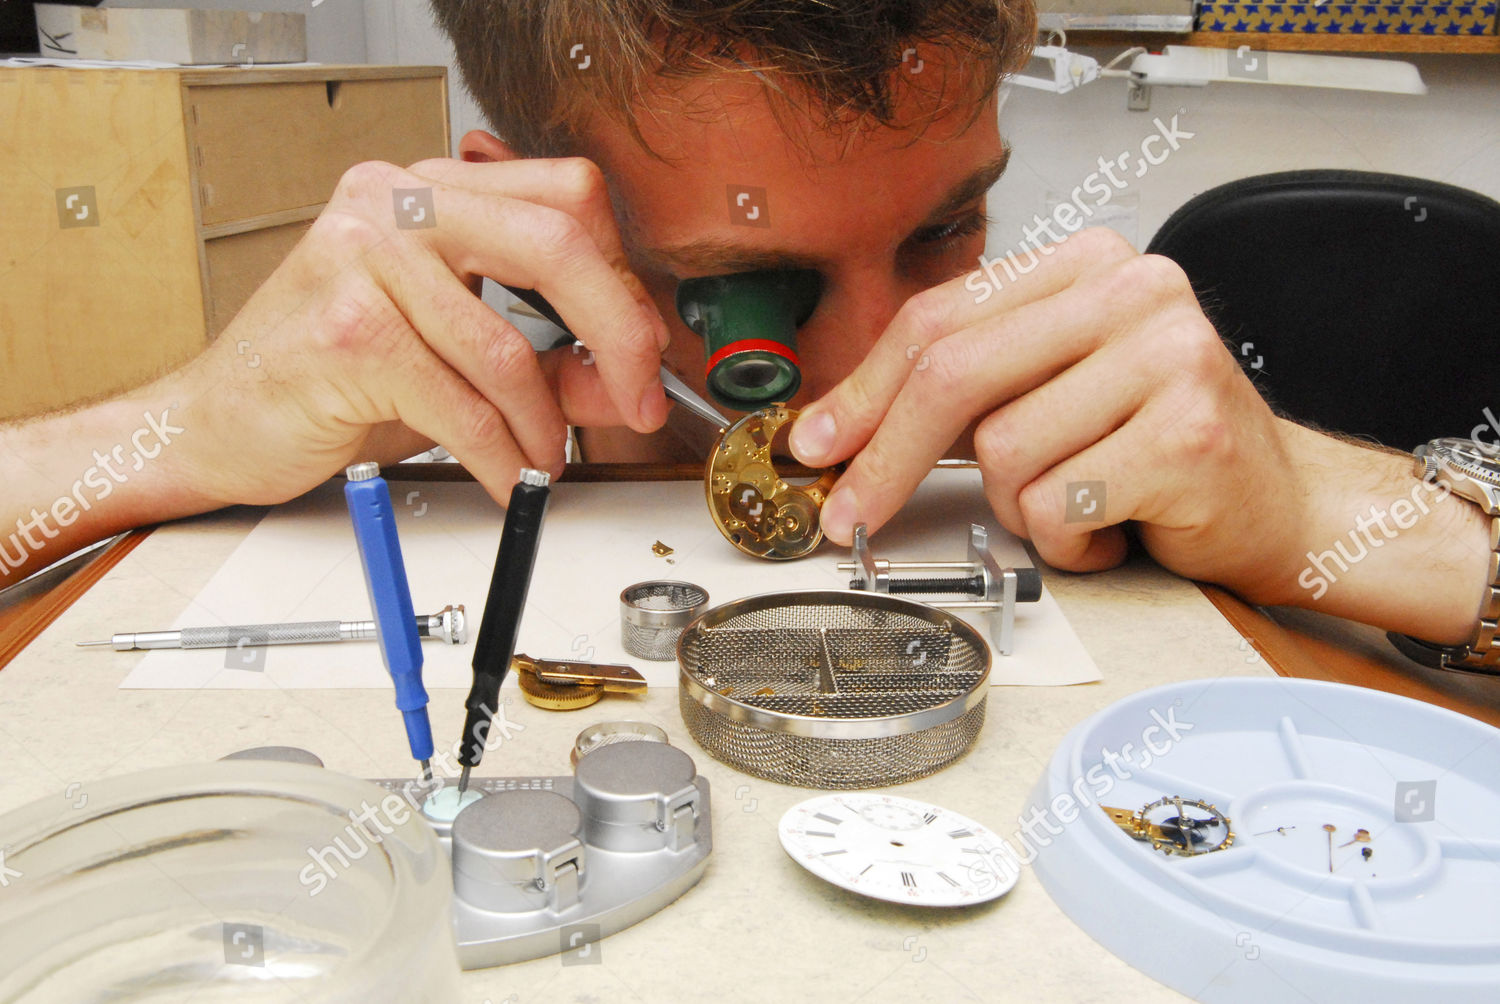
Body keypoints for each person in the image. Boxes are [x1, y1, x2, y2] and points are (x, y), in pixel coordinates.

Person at [1, 0, 1488, 654]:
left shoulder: (1104, 445)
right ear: (529, 222)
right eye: (752, 291)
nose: (870, 368)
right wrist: (164, 435)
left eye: (946, 228)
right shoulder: (377, 461)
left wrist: (1333, 514)